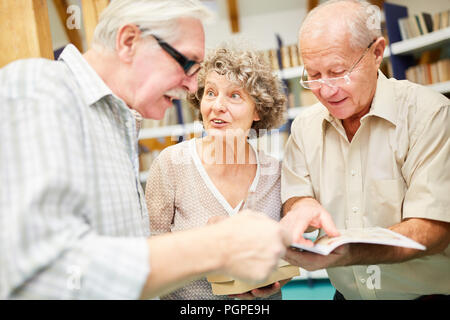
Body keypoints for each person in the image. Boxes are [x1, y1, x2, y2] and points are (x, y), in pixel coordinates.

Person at [0, 0, 291, 299]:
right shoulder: (37, 90)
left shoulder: (118, 125)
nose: (194, 88)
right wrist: (218, 246)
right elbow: (41, 274)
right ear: (129, 41)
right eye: (187, 63)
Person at [280, 0, 450, 300]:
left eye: (337, 71)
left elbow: (434, 229)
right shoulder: (304, 128)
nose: (326, 90)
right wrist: (299, 205)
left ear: (376, 52)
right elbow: (295, 194)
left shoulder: (431, 115)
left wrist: (350, 251)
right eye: (314, 75)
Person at [145, 45, 288, 300]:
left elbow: (287, 252)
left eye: (234, 96)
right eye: (210, 93)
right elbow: (149, 253)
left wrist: (274, 279)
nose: (217, 106)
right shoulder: (170, 165)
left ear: (258, 110)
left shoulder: (275, 173)